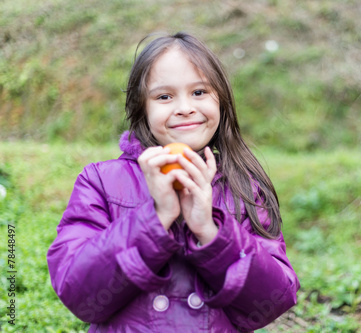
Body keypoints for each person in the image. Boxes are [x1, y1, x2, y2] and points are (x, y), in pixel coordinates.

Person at [47, 31, 300, 332]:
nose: (184, 107)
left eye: (199, 92)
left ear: (221, 100)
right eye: (164, 96)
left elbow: (273, 302)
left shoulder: (244, 188)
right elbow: (80, 295)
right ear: (143, 108)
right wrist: (155, 220)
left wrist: (211, 231)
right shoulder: (101, 181)